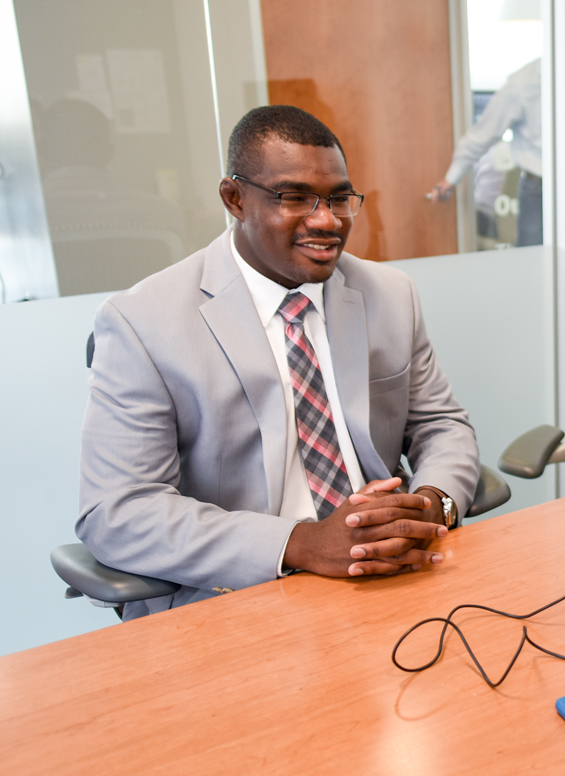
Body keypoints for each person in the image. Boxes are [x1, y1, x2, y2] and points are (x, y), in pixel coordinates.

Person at [78, 105, 481, 620]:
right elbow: (117, 512)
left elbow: (441, 424)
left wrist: (432, 503)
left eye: (339, 199)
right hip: (239, 596)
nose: (326, 221)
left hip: (394, 573)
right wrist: (301, 543)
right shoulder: (143, 322)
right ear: (234, 199)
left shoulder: (388, 293)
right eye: (294, 198)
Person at [429, 58, 543, 247]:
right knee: (533, 260)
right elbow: (483, 134)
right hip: (537, 186)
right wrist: (450, 179)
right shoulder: (522, 83)